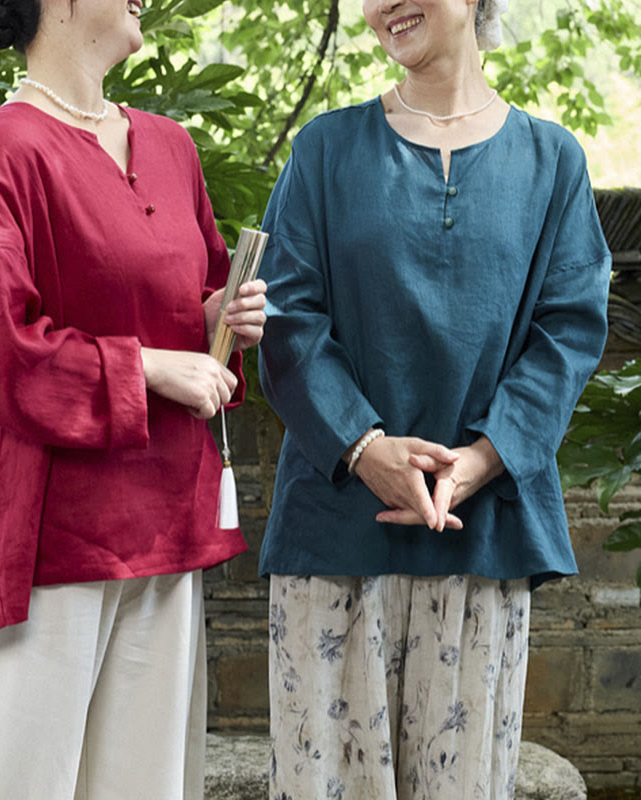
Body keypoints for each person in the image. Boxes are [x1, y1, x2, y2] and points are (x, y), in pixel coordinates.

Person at [0, 0, 266, 796]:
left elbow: (187, 305)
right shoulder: (5, 149)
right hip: (43, 547)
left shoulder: (171, 147)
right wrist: (147, 370)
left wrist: (219, 320)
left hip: (166, 528)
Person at [257, 0, 610, 797]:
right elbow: (284, 314)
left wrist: (487, 457)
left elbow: (571, 330)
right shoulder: (324, 151)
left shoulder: (553, 161)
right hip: (335, 535)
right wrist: (361, 446)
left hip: (483, 537)